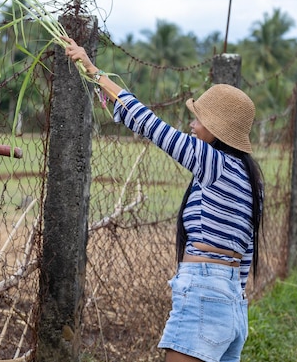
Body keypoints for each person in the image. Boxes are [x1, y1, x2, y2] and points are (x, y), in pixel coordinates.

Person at [61, 36, 264, 362]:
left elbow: (150, 124)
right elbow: (246, 252)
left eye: (199, 119)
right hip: (233, 308)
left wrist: (92, 69)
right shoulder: (251, 178)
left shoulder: (211, 161)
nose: (193, 125)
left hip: (204, 294)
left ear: (217, 130)